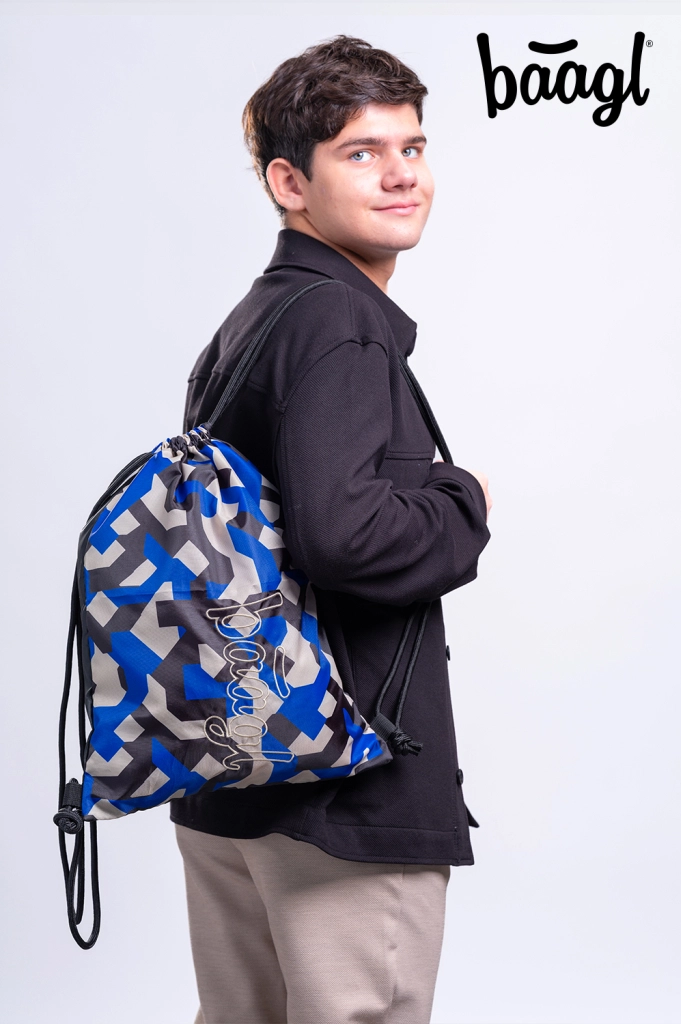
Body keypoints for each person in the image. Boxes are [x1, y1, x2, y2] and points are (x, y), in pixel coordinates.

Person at [172, 34, 492, 1024]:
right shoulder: (335, 324)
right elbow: (341, 538)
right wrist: (462, 501)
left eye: (412, 146)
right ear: (289, 182)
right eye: (362, 152)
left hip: (235, 769)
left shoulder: (255, 319)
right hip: (341, 790)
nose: (402, 174)